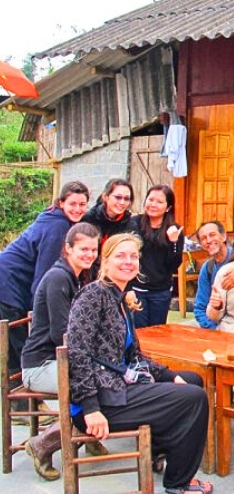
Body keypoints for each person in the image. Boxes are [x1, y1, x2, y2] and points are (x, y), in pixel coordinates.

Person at [67, 233, 213, 494]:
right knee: (194, 398)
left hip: (117, 385)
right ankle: (179, 483)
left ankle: (158, 450)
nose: (128, 261)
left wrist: (169, 375)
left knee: (192, 380)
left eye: (133, 256)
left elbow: (135, 356)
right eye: (120, 256)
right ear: (105, 262)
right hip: (101, 399)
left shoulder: (119, 298)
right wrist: (90, 408)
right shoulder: (93, 295)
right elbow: (77, 354)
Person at [0, 180, 90, 420]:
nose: (78, 209)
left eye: (82, 204)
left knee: (18, 344)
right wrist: (37, 311)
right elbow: (44, 275)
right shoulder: (57, 227)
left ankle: (28, 403)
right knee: (16, 345)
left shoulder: (58, 220)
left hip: (14, 282)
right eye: (72, 204)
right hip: (8, 285)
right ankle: (22, 408)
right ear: (61, 203)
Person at [20, 223, 104, 481]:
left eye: (93, 250)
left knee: (107, 376)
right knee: (96, 384)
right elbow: (62, 334)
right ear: (68, 248)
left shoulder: (75, 276)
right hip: (41, 365)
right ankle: (42, 443)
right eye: (83, 249)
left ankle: (89, 436)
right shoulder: (58, 278)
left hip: (61, 359)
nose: (90, 255)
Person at [130, 185, 184, 328]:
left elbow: (174, 265)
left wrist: (173, 242)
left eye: (159, 202)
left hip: (161, 291)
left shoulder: (174, 229)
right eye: (151, 199)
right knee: (139, 332)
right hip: (136, 288)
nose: (153, 204)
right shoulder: (134, 223)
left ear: (168, 208)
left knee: (157, 332)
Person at [82, 178, 135, 275]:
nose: (122, 202)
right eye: (118, 197)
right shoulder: (89, 219)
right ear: (105, 197)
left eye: (126, 199)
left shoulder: (129, 225)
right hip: (87, 273)